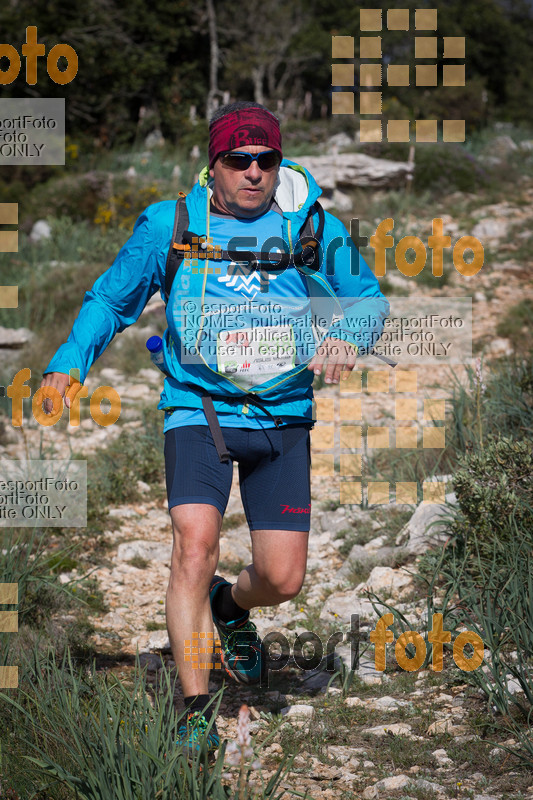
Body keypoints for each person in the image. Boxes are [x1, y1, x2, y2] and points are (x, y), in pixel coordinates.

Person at [40, 101, 389, 758]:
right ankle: (195, 707)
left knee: (283, 580)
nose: (253, 173)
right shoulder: (171, 224)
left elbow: (366, 297)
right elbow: (113, 300)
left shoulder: (312, 225)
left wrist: (346, 334)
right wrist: (68, 362)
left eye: (266, 160)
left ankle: (229, 608)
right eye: (238, 160)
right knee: (192, 546)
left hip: (281, 413)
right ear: (214, 163)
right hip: (196, 407)